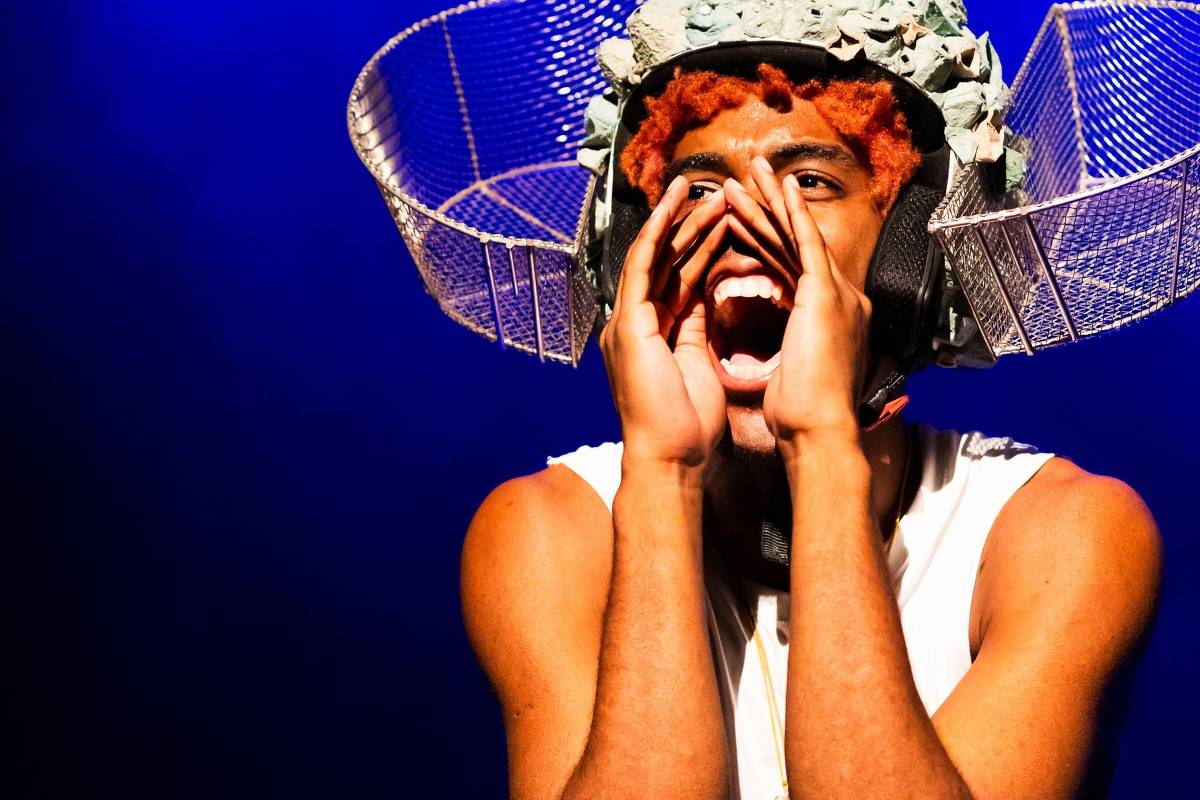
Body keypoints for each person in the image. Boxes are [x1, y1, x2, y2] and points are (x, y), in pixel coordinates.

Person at [459, 12, 1163, 800]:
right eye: (699, 189)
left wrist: (823, 446)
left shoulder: (1066, 534)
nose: (743, 222)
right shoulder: (547, 531)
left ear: (913, 261)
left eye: (809, 182)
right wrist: (662, 472)